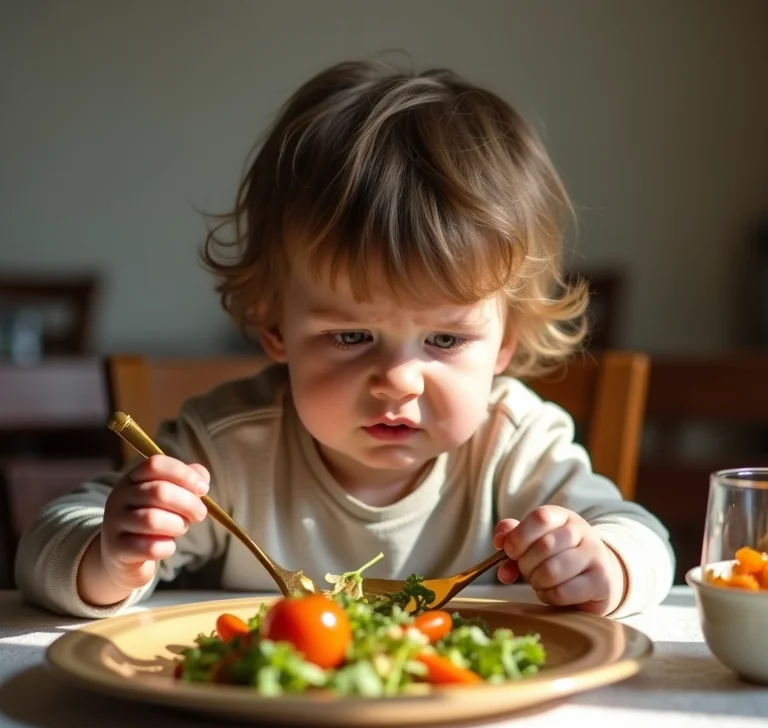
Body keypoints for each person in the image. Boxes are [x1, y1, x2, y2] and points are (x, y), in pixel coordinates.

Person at [15, 59, 674, 620]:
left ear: (505, 342)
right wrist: (111, 558)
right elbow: (46, 543)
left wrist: (605, 563)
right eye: (352, 335)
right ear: (276, 327)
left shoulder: (514, 443)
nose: (399, 380)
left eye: (445, 340)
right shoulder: (230, 448)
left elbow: (642, 537)